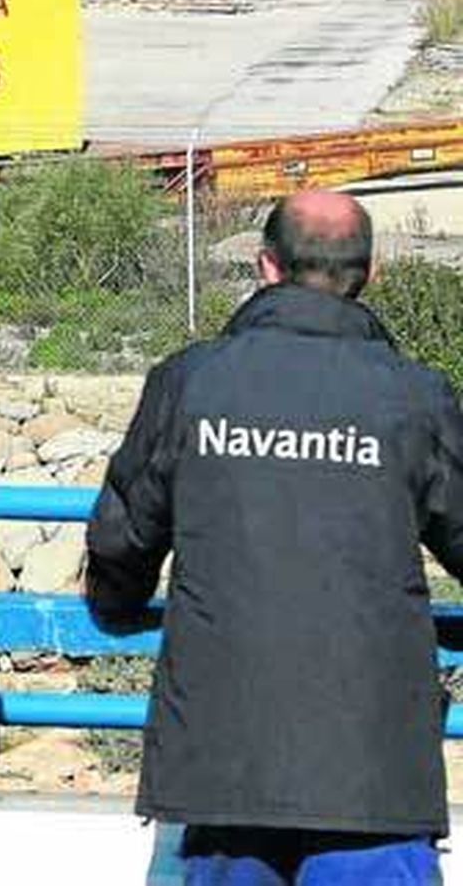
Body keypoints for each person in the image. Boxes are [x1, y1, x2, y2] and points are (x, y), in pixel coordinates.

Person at [86, 190, 463, 885]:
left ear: (265, 266)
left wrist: (115, 606)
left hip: (224, 762)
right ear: (369, 274)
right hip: (374, 769)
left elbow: (121, 539)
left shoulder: (191, 380)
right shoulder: (415, 394)